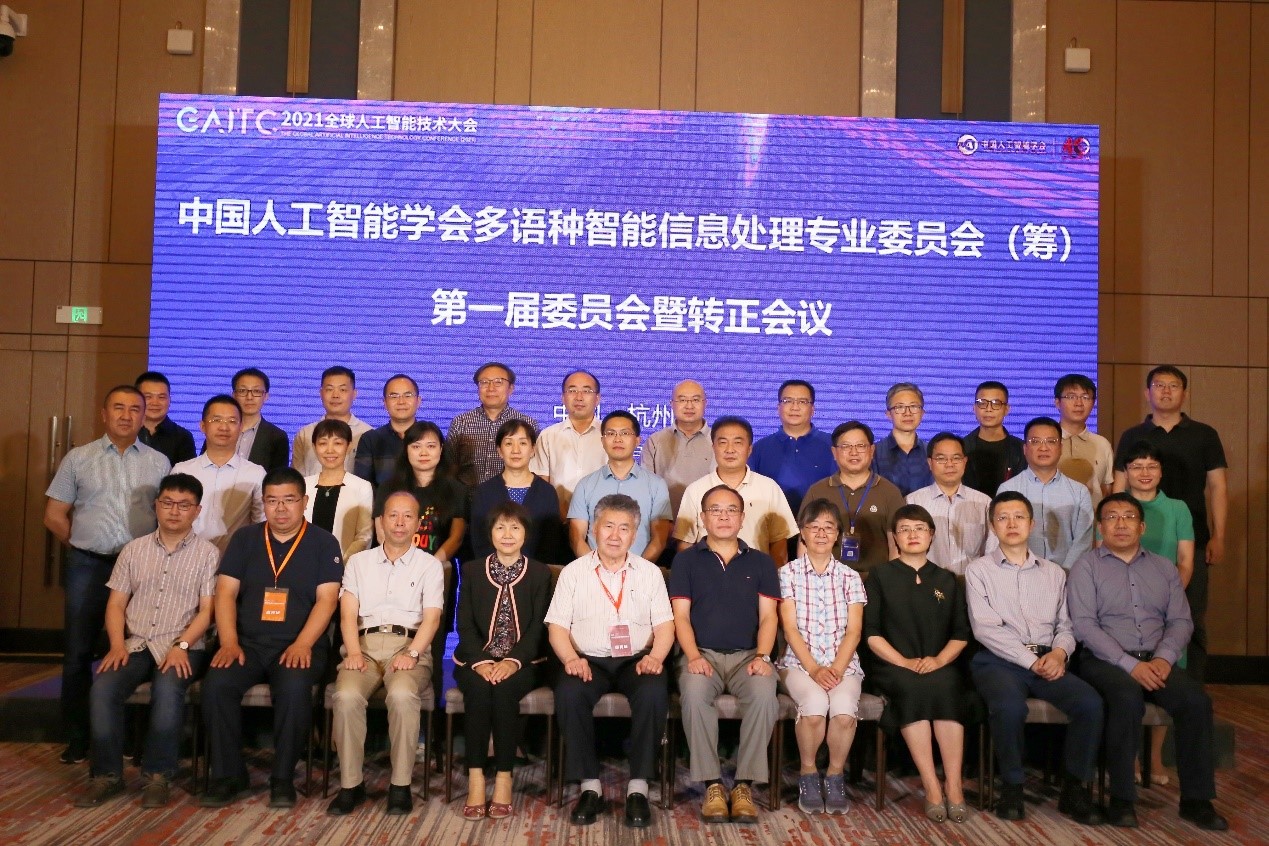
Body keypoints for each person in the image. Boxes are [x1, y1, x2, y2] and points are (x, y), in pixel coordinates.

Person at [1068, 493, 1228, 832]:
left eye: (1129, 517)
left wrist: (1165, 659)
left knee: (1195, 702)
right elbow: (1084, 625)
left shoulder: (1164, 568)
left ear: (1142, 527)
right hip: (1106, 660)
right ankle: (1122, 799)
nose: (1121, 524)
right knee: (1126, 698)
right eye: (1112, 517)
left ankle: (1196, 800)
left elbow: (1181, 621)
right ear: (1100, 528)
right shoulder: (1086, 566)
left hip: (1157, 660)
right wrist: (1130, 665)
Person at [199, 468, 343, 808]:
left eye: (289, 500)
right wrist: (229, 642)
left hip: (299, 644)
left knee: (294, 688)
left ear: (304, 501)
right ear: (262, 503)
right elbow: (225, 593)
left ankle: (282, 778)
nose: (280, 508)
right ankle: (229, 776)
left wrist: (303, 643)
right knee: (217, 684)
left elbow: (327, 600)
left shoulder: (323, 542)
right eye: (272, 500)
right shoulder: (245, 539)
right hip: (247, 643)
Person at [74, 473, 218, 808]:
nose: (174, 511)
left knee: (168, 689)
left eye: (184, 505)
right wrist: (116, 645)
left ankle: (158, 776)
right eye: (168, 503)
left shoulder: (208, 554)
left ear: (197, 511)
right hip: (136, 644)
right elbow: (116, 604)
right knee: (103, 689)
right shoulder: (133, 550)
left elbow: (208, 611)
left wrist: (182, 645)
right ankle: (107, 776)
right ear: (156, 506)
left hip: (183, 646)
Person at [44, 384, 171, 764]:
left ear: (143, 416)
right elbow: (54, 515)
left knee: (138, 650)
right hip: (89, 564)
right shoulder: (78, 458)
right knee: (78, 652)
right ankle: (78, 738)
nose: (126, 415)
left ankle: (129, 737)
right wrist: (82, 543)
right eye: (118, 407)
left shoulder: (159, 463)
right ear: (104, 414)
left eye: (134, 409)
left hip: (140, 569)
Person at [965, 491, 1104, 825]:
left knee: (1090, 703)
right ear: (993, 526)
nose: (1011, 524)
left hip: (1049, 660)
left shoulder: (1054, 573)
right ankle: (1012, 787)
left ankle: (1075, 788)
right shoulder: (978, 570)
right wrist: (1030, 661)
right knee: (1009, 707)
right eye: (1003, 518)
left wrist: (1059, 652)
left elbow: (1066, 625)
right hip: (998, 661)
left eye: (1019, 517)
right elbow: (985, 629)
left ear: (1032, 523)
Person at [545, 494, 674, 829]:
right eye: (608, 526)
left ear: (635, 534)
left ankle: (638, 787)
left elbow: (665, 626)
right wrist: (571, 659)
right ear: (593, 530)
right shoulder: (573, 573)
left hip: (637, 660)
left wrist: (656, 658)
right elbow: (557, 627)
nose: (615, 535)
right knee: (569, 692)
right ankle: (590, 786)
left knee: (653, 691)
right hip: (587, 659)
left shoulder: (650, 573)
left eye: (624, 528)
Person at [327, 490, 444, 817]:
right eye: (393, 515)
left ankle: (400, 785)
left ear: (417, 523)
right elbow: (347, 615)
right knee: (346, 696)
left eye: (408, 516)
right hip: (362, 647)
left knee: (403, 694)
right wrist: (353, 652)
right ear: (380, 521)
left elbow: (432, 618)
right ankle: (351, 785)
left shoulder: (429, 565)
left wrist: (413, 652)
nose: (399, 522)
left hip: (408, 647)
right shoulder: (358, 563)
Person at [670, 485, 781, 824]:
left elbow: (769, 617)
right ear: (703, 518)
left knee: (765, 695)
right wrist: (693, 656)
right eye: (715, 510)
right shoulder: (686, 560)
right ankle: (713, 785)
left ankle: (744, 785)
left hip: (749, 656)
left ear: (742, 518)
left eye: (731, 510)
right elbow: (680, 617)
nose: (723, 516)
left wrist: (763, 656)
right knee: (693, 693)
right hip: (701, 654)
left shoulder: (761, 562)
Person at [1113, 365, 1227, 684]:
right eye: (1158, 385)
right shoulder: (1132, 436)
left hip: (1192, 538)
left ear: (1184, 393)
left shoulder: (1205, 434)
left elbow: (1218, 487)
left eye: (1173, 385)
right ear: (1147, 393)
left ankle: (1190, 689)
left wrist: (1219, 535)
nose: (1165, 391)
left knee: (1191, 618)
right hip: (1135, 540)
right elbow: (1119, 487)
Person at [862, 504, 971, 824]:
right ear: (894, 537)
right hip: (893, 666)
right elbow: (871, 634)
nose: (912, 534)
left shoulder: (947, 579)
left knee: (948, 685)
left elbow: (961, 634)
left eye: (920, 528)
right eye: (905, 529)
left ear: (931, 535)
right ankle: (931, 786)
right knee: (912, 687)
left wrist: (938, 660)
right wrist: (904, 662)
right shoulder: (880, 576)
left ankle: (954, 786)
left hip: (939, 664)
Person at [452, 501, 552, 819]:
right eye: (500, 527)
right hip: (475, 660)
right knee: (480, 689)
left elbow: (538, 628)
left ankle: (505, 778)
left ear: (525, 533)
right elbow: (464, 624)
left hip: (525, 662)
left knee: (505, 688)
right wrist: (481, 661)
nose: (507, 534)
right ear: (490, 533)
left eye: (515, 527)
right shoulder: (471, 570)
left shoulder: (540, 573)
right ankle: (476, 778)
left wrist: (512, 662)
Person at [777, 499, 866, 816]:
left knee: (844, 711)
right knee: (814, 707)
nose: (821, 533)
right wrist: (814, 669)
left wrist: (837, 669)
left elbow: (854, 631)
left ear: (838, 534)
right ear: (802, 532)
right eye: (813, 527)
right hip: (799, 664)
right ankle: (808, 773)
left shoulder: (850, 577)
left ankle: (835, 775)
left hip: (843, 665)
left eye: (828, 527)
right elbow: (789, 629)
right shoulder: (786, 574)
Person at [379, 420, 469, 707]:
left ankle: (433, 721)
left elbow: (456, 536)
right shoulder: (390, 487)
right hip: (393, 574)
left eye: (431, 446)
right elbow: (382, 530)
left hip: (438, 574)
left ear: (441, 450)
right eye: (416, 446)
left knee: (435, 643)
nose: (424, 453)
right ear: (406, 450)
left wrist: (428, 566)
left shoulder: (455, 489)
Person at [1121, 441, 1196, 782]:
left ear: (1161, 472)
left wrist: (1167, 599)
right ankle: (1131, 760)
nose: (1144, 472)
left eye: (1151, 466)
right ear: (1126, 472)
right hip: (1122, 609)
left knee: (1165, 677)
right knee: (1127, 684)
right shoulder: (1116, 507)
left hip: (1166, 607)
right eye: (1137, 466)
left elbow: (1185, 562)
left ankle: (1154, 758)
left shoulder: (1178, 509)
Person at [675, 416, 797, 566]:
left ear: (749, 449)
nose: (730, 450)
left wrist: (773, 576)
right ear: (713, 447)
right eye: (723, 442)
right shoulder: (695, 490)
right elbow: (685, 543)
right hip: (707, 576)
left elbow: (779, 542)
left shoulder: (769, 488)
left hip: (757, 576)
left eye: (738, 443)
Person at [568, 410, 672, 562]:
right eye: (611, 433)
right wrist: (594, 569)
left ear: (637, 440)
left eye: (625, 433)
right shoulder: (585, 485)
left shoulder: (656, 485)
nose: (617, 439)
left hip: (640, 572)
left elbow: (659, 539)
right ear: (602, 441)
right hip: (593, 571)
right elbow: (577, 538)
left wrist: (638, 571)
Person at [800, 421, 902, 576]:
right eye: (846, 446)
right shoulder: (817, 491)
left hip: (876, 581)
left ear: (872, 450)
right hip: (827, 581)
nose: (854, 452)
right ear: (834, 452)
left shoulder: (890, 492)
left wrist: (890, 583)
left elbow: (896, 546)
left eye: (860, 446)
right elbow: (804, 542)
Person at [748, 379, 834, 557]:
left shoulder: (833, 446)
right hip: (771, 537)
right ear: (778, 407)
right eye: (788, 401)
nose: (795, 407)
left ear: (813, 409)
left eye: (802, 401)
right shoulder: (760, 448)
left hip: (822, 537)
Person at [997, 417, 1094, 570]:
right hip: (1019, 573)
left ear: (1060, 448)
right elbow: (1002, 536)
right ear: (1025, 449)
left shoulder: (1079, 492)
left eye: (1051, 441)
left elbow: (1083, 542)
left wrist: (1063, 573)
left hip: (1068, 576)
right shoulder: (1007, 489)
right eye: (1035, 441)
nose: (1043, 448)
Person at [172, 394, 265, 553]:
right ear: (202, 426)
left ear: (241, 427)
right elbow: (170, 521)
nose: (224, 427)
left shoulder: (256, 474)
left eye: (232, 421)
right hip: (186, 557)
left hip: (235, 560)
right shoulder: (182, 471)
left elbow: (261, 525)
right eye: (216, 420)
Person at [469, 419, 563, 563]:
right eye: (508, 443)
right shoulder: (484, 492)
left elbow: (551, 544)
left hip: (536, 572)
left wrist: (533, 571)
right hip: (491, 571)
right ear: (499, 451)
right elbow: (479, 540)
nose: (516, 450)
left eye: (522, 443)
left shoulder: (547, 492)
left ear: (533, 449)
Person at [905, 432, 993, 575]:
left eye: (956, 458)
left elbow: (991, 551)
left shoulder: (984, 503)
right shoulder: (913, 502)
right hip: (928, 582)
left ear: (965, 461)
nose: (950, 464)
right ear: (930, 463)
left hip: (972, 582)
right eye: (941, 459)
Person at [446, 362, 540, 487]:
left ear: (511, 389)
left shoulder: (527, 424)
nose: (491, 388)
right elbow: (449, 465)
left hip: (509, 496)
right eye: (484, 382)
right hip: (467, 496)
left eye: (498, 382)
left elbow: (535, 468)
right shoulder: (461, 422)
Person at [529, 369, 606, 517]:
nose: (579, 397)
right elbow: (541, 484)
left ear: (597, 398)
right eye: (572, 391)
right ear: (563, 398)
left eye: (586, 391)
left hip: (601, 520)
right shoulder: (548, 435)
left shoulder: (609, 435)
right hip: (557, 518)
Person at [640, 379, 714, 518]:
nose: (689, 406)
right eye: (682, 400)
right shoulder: (655, 441)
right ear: (672, 404)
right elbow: (646, 488)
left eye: (695, 400)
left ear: (705, 403)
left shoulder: (718, 441)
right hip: (664, 523)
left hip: (709, 524)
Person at [302, 419, 374, 559]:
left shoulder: (361, 487)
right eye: (323, 443)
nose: (330, 450)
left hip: (345, 565)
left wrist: (340, 564)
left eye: (338, 443)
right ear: (314, 447)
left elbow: (364, 536)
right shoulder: (303, 485)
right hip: (305, 563)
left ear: (349, 446)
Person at [292, 366, 372, 476]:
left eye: (342, 390)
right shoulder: (305, 434)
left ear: (354, 394)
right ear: (321, 393)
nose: (335, 395)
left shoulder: (368, 434)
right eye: (329, 389)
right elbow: (296, 478)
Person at [1054, 374, 1114, 509]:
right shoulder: (1045, 443)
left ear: (1093, 403)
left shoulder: (1102, 444)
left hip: (1092, 519)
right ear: (1057, 402)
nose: (1079, 403)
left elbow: (1106, 490)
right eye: (1071, 397)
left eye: (1085, 397)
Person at [352, 374, 421, 490]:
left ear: (418, 401)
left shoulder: (430, 439)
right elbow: (362, 487)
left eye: (408, 395)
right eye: (394, 396)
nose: (401, 401)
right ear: (384, 402)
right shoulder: (370, 440)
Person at [962, 380, 1026, 496]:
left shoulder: (1021, 449)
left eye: (996, 403)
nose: (988, 409)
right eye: (982, 403)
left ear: (1007, 409)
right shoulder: (962, 447)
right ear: (974, 408)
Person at [872, 382, 932, 496]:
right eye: (899, 407)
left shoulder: (932, 452)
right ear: (888, 414)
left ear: (922, 413)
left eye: (913, 406)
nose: (907, 413)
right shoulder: (873, 453)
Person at [231, 367, 289, 471]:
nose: (249, 397)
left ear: (266, 396)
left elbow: (278, 478)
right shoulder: (220, 430)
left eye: (256, 391)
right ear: (234, 395)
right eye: (242, 391)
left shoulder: (277, 437)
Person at [135, 371, 196, 466]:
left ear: (170, 400)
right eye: (148, 397)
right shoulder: (126, 432)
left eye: (161, 397)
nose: (155, 403)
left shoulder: (183, 437)